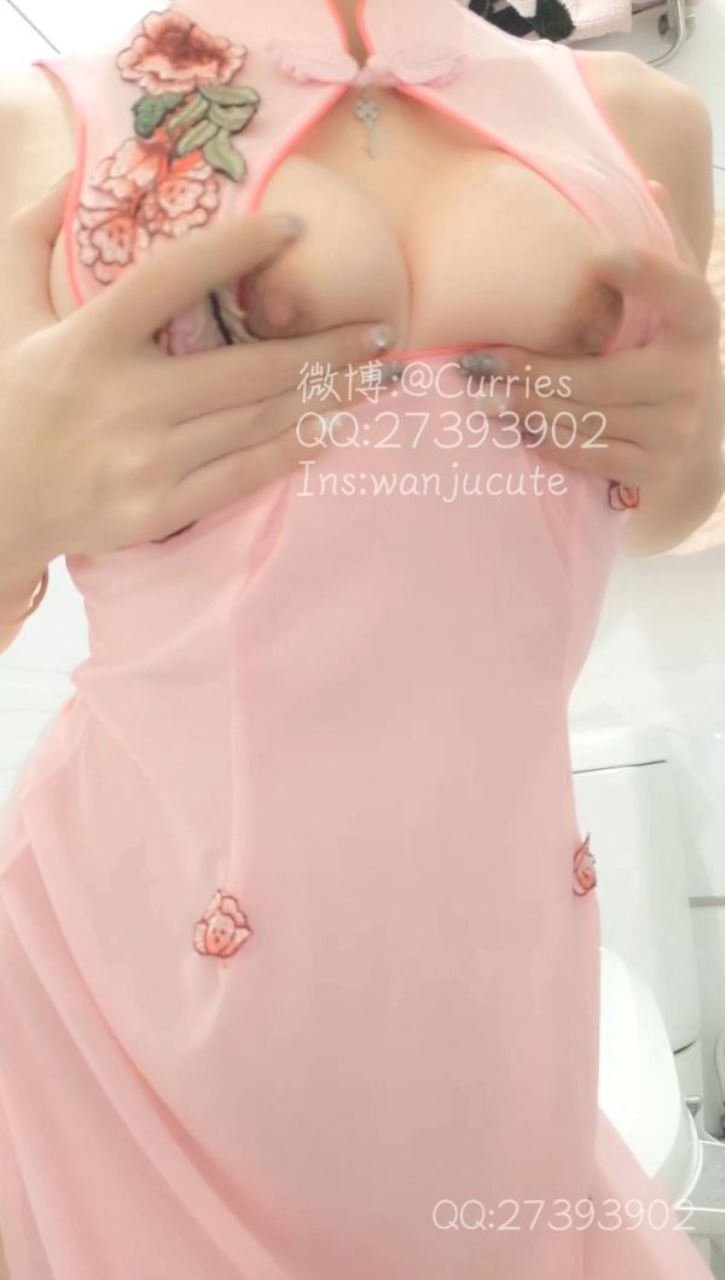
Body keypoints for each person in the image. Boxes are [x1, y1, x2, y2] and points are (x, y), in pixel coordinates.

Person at [0, 0, 722, 1275]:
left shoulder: (644, 120)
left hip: (485, 977)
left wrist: (702, 449)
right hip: (116, 978)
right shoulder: (30, 132)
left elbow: (659, 509)